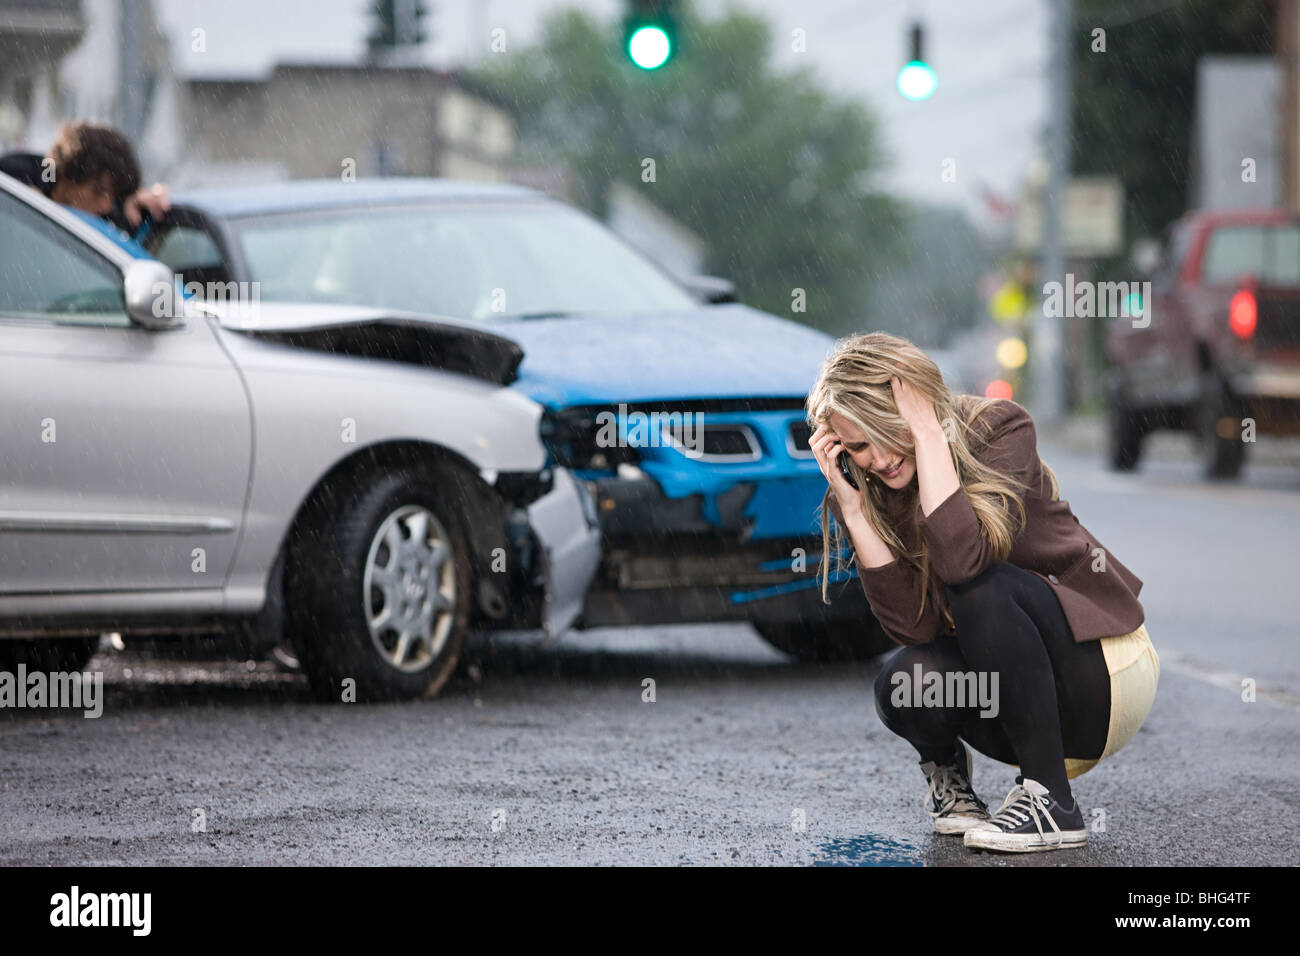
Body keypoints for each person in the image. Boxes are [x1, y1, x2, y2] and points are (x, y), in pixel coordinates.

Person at [807, 332, 1159, 854]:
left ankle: (1051, 804)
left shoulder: (1000, 428)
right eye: (858, 446)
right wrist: (855, 512)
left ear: (918, 405)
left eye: (887, 430)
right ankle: (957, 791)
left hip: (1102, 677)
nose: (877, 458)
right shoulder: (874, 488)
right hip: (1021, 707)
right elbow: (914, 630)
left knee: (979, 588)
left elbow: (963, 563)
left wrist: (927, 437)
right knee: (904, 680)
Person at [0, 120, 169, 240]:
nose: (105, 205)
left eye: (112, 196)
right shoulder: (20, 174)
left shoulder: (110, 215)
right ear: (67, 175)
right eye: (98, 190)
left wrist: (140, 203)